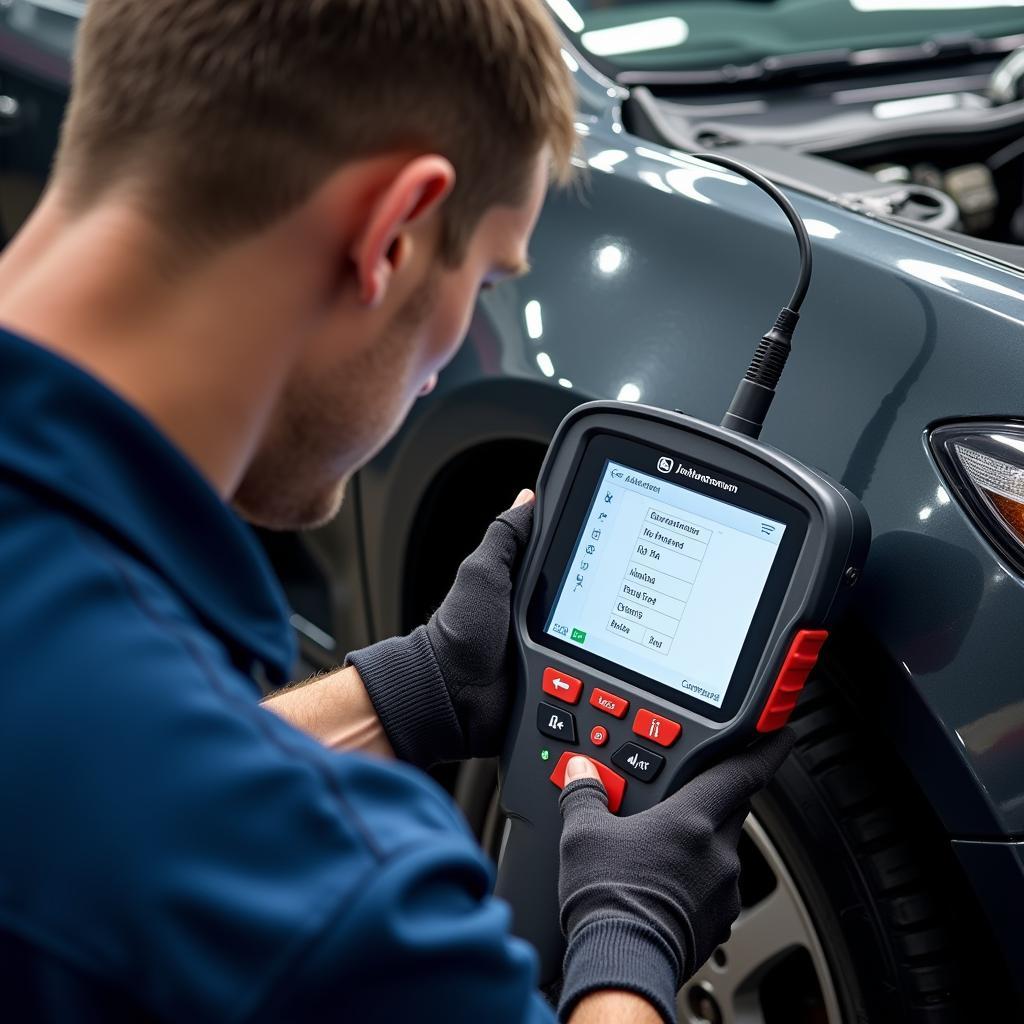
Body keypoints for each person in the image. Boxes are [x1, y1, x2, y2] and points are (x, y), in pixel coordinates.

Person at [0, 1, 792, 1021]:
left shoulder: (145, 770)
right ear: (394, 234)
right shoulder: (334, 895)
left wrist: (402, 690)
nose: (437, 370)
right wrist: (629, 940)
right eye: (487, 273)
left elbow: (99, 783)